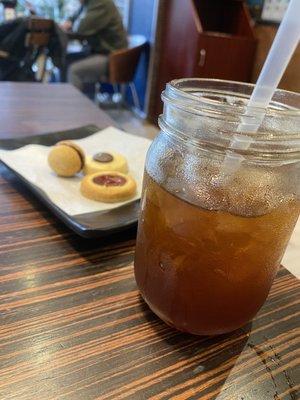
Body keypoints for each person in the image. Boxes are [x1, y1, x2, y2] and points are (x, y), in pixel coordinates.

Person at [61, 0, 127, 91]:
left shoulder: (101, 3)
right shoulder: (88, 3)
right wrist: (70, 22)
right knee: (64, 60)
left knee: (74, 71)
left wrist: (70, 25)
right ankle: (65, 100)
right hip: (98, 52)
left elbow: (81, 28)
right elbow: (73, 19)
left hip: (112, 56)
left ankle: (74, 104)